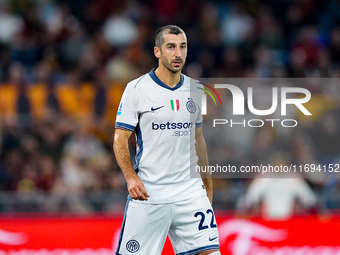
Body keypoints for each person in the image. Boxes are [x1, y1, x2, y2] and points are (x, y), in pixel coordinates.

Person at [113, 25, 220, 255]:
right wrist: (130, 176)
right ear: (157, 52)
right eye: (171, 47)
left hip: (190, 193)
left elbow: (198, 140)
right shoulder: (137, 89)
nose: (178, 53)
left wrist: (207, 185)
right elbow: (120, 139)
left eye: (183, 47)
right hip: (150, 193)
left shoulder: (195, 89)